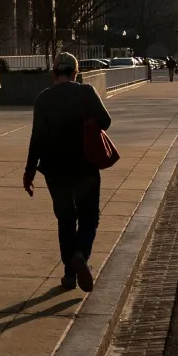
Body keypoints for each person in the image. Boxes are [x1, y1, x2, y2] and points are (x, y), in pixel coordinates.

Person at [26, 52, 112, 291]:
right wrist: (87, 122)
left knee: (65, 220)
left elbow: (37, 138)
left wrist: (29, 172)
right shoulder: (85, 92)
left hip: (55, 169)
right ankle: (81, 255)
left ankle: (70, 275)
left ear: (54, 73)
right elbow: (105, 121)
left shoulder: (43, 99)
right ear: (76, 73)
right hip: (85, 165)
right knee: (89, 217)